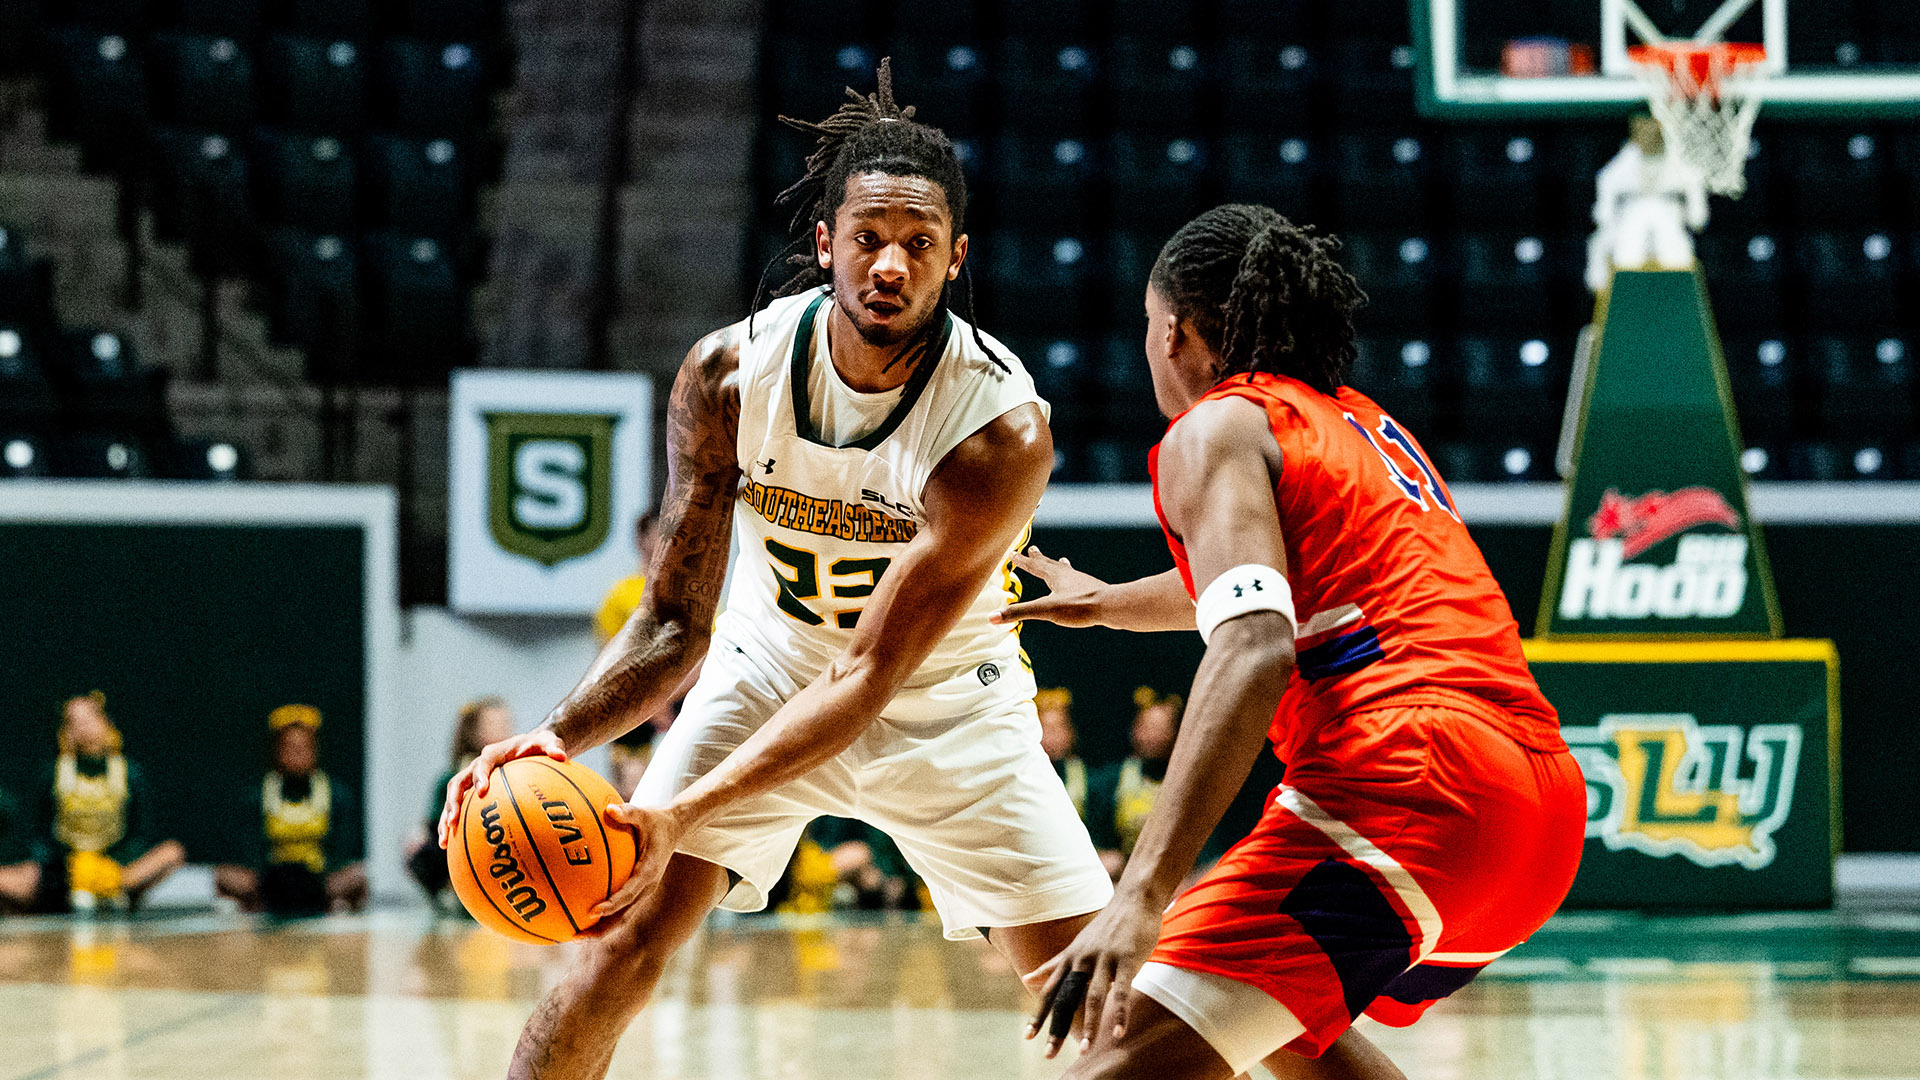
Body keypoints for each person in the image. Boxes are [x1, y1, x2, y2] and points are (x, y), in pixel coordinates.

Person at [438, 61, 1112, 1080]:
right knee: (615, 948)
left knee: (1104, 1009)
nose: (890, 265)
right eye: (870, 238)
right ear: (827, 243)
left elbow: (868, 678)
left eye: (919, 243)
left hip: (946, 707)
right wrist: (553, 738)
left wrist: (678, 812)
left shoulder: (997, 431)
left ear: (955, 259)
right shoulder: (728, 376)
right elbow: (674, 621)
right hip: (766, 674)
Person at [1002, 205, 1587, 1079]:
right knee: (1280, 1034)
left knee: (1113, 1060)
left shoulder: (1218, 425)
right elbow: (1277, 579)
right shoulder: (1356, 422)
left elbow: (1255, 644)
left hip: (1412, 779)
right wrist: (1109, 602)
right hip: (1535, 809)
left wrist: (1142, 893)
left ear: (1173, 331)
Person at [16, 693, 186, 913]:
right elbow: (39, 832)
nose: (84, 728)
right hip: (68, 868)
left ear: (106, 722)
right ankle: (78, 892)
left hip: (117, 866)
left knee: (171, 852)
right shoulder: (54, 773)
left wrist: (113, 866)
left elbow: (140, 831)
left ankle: (112, 889)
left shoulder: (128, 773)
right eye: (75, 722)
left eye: (90, 719)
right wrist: (66, 865)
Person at [215, 705, 367, 916]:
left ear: (315, 750)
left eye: (303, 748)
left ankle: (335, 908)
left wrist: (322, 877)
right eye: (289, 747)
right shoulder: (257, 796)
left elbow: (342, 850)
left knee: (358, 876)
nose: (296, 754)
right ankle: (254, 909)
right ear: (277, 751)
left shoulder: (337, 795)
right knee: (224, 876)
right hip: (269, 882)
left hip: (319, 882)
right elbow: (249, 851)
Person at [595, 511, 684, 798]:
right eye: (656, 534)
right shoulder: (620, 594)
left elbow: (707, 653)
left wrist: (666, 698)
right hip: (631, 705)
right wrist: (648, 702)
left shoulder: (689, 592)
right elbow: (610, 657)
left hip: (679, 701)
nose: (662, 542)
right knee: (631, 786)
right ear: (640, 540)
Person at [408, 696, 516, 906]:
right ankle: (450, 891)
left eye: (506, 722)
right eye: (495, 723)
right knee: (421, 847)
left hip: (502, 842)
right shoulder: (453, 776)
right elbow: (433, 824)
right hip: (462, 844)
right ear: (475, 731)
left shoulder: (517, 770)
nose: (503, 728)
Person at [1587, 113, 1708, 292]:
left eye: (1650, 127)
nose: (1646, 134)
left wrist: (1694, 215)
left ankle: (1675, 291)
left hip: (1670, 227)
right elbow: (1603, 214)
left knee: (1657, 212)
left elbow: (1698, 216)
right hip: (1627, 231)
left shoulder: (1681, 164)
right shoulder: (1619, 167)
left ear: (1660, 128)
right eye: (1640, 129)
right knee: (1600, 242)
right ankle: (1622, 291)